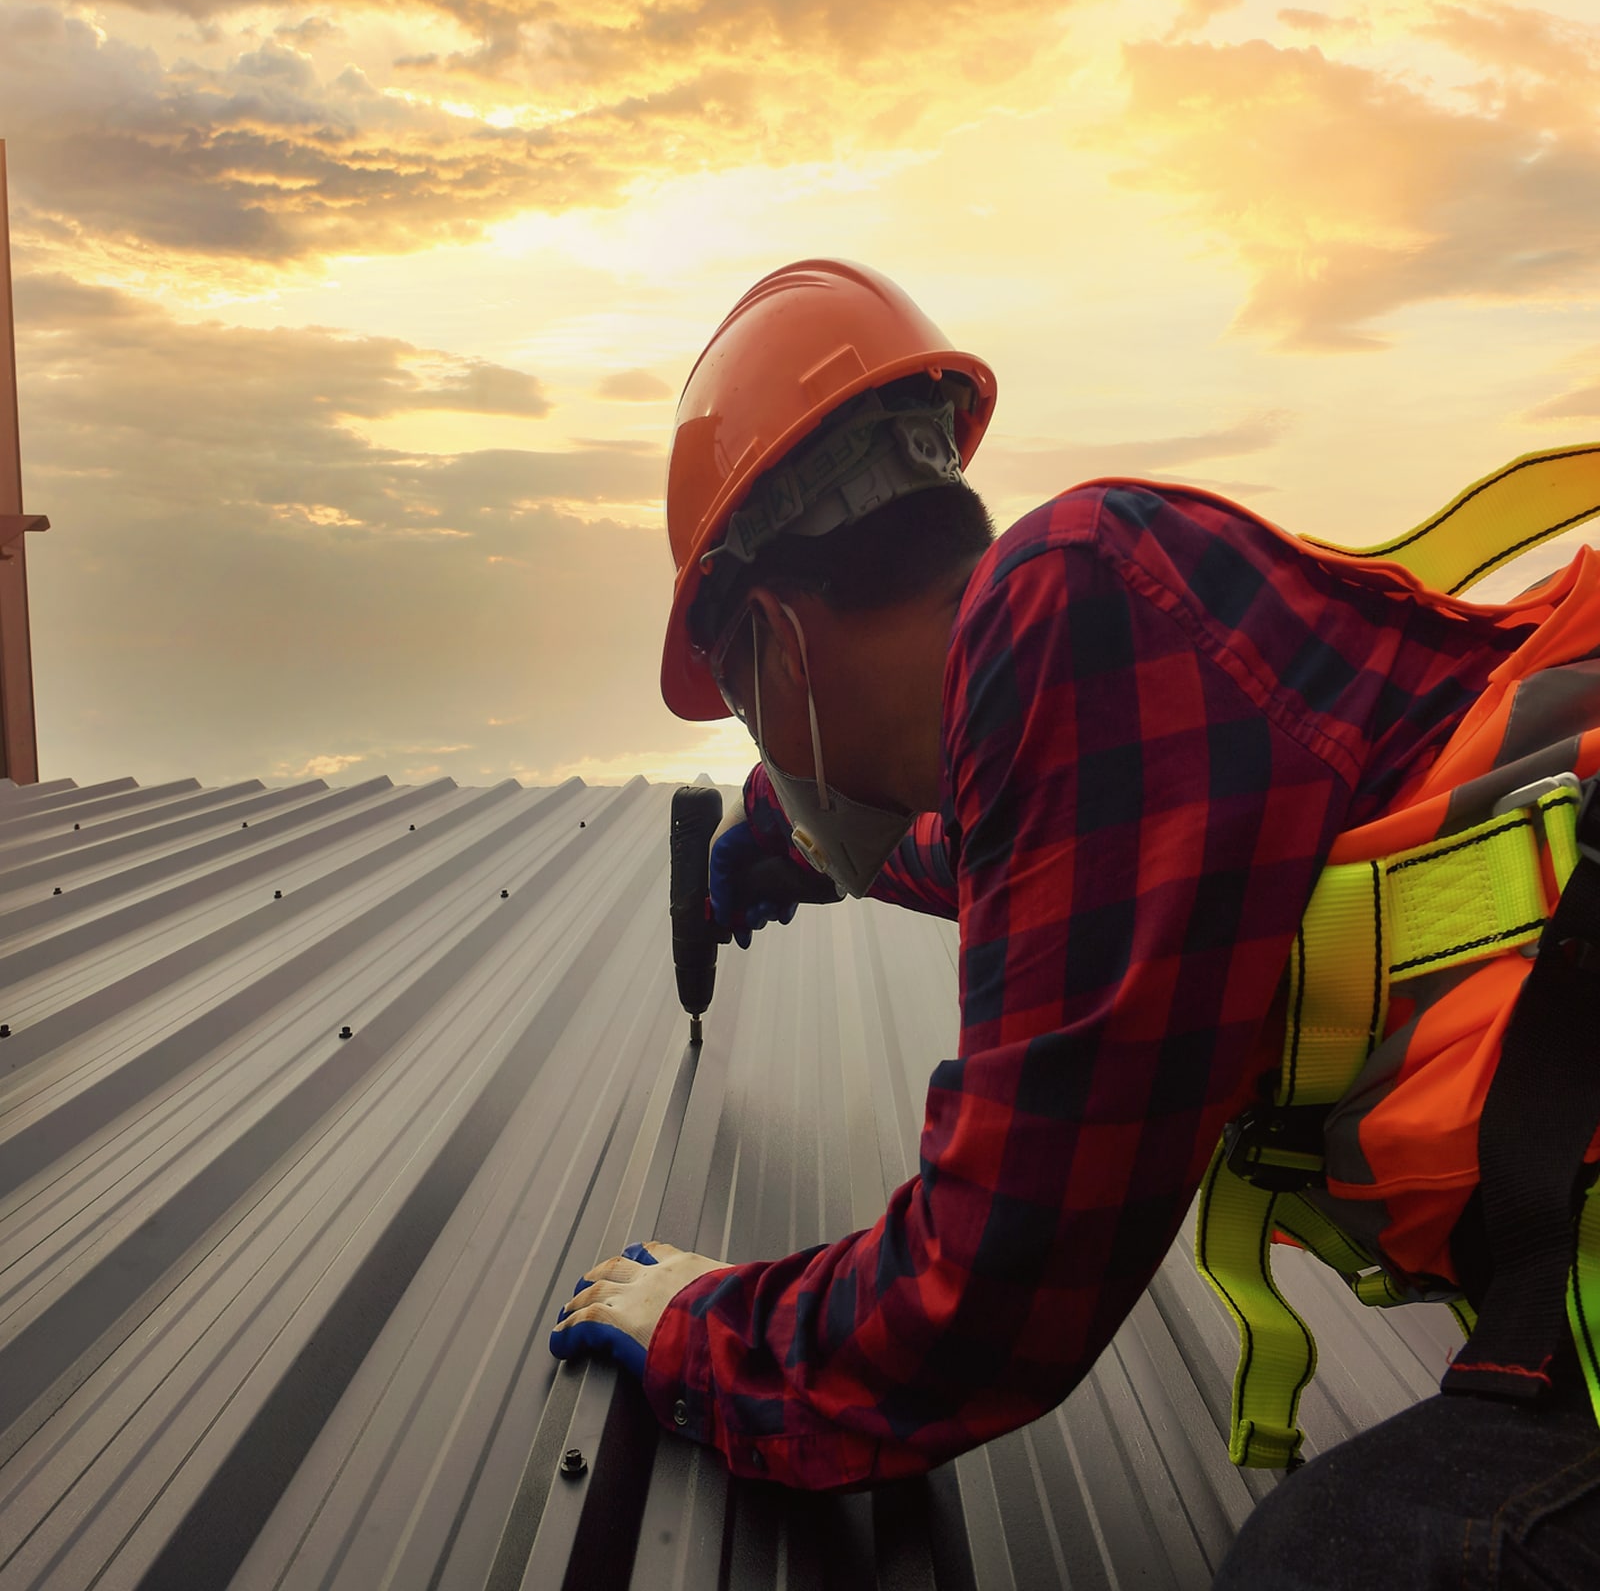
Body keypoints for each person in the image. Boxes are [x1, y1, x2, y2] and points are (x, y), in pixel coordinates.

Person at [549, 258, 1600, 1584]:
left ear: (772, 640)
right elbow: (1006, 850)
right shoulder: (1108, 675)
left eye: (744, 700)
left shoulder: (1071, 603)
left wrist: (703, 1331)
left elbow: (984, 1298)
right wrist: (778, 847)